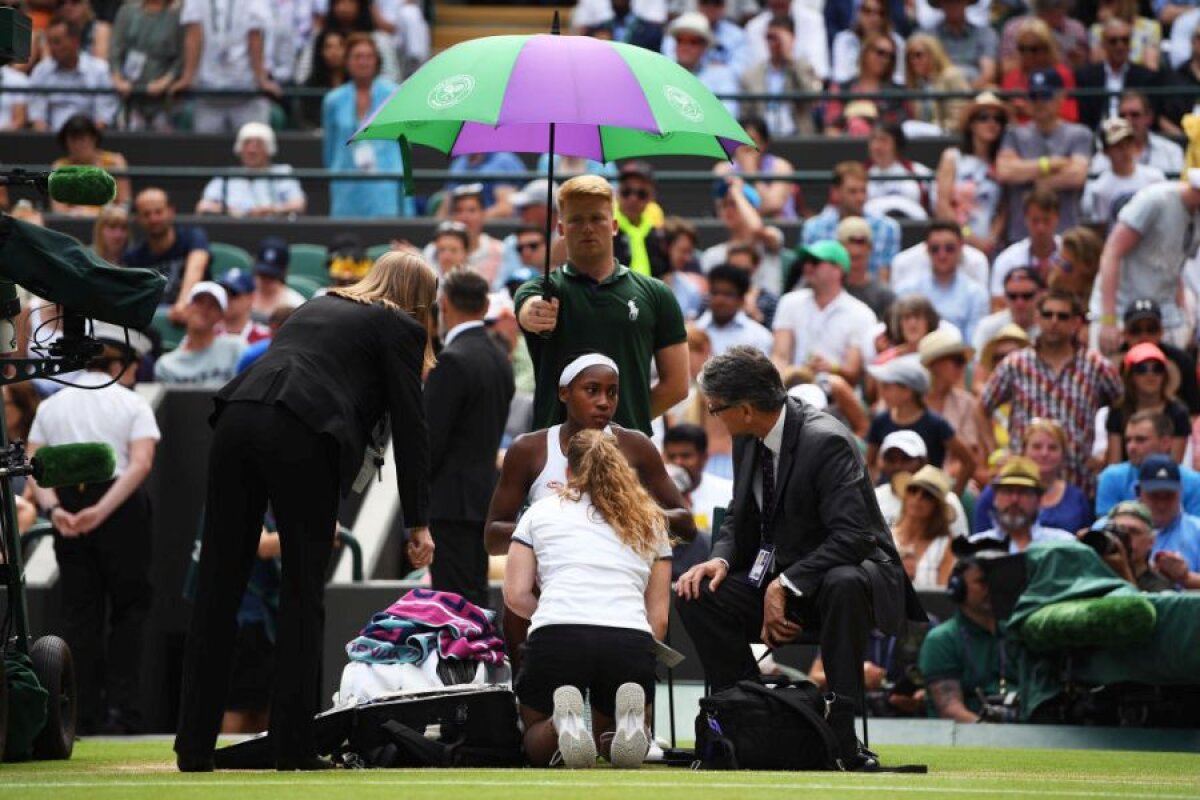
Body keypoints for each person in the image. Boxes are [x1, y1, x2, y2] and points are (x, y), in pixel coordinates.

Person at [174, 251, 437, 772]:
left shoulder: (317, 304)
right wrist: (418, 521)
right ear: (420, 301)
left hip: (237, 418)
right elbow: (411, 426)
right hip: (303, 429)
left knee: (218, 587)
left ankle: (194, 745)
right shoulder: (401, 325)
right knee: (301, 591)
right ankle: (293, 745)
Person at [675, 346, 923, 769]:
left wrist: (784, 585)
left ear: (747, 409)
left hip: (842, 577)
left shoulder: (825, 441)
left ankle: (842, 736)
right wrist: (719, 560)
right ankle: (749, 718)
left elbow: (855, 535)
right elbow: (739, 513)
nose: (715, 418)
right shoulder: (746, 436)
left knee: (844, 580)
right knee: (698, 593)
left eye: (717, 410)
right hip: (781, 573)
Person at [505, 429, 670, 769]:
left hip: (558, 632)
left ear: (568, 470)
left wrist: (550, 615)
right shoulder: (652, 520)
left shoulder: (539, 512)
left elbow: (515, 594)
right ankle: (629, 724)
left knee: (534, 738)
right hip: (628, 638)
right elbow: (660, 620)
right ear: (621, 466)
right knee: (607, 741)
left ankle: (558, 724)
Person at [27, 339, 160, 735]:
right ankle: (124, 713)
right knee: (128, 613)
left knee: (79, 615)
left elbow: (36, 466)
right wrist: (101, 511)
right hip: (119, 510)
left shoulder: (53, 406)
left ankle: (80, 714)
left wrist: (57, 510)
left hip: (69, 507)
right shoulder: (132, 403)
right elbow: (141, 463)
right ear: (118, 364)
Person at [513, 175, 689, 438]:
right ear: (560, 230)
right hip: (555, 451)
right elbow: (528, 309)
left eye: (596, 218)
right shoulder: (539, 290)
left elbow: (677, 386)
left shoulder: (657, 294)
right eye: (576, 220)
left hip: (626, 450)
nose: (587, 228)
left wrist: (623, 421)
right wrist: (534, 312)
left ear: (614, 225)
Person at [425, 268, 514, 608]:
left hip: (450, 505)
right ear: (485, 304)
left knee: (453, 604)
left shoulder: (451, 361)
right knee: (474, 597)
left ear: (444, 304)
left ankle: (462, 664)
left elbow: (431, 442)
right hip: (484, 500)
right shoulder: (499, 359)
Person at [981, 290, 1122, 493]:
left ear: (1076, 323)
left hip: (1077, 482)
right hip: (1024, 481)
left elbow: (1122, 407)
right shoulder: (1015, 364)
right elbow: (983, 407)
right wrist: (996, 452)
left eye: (1062, 316)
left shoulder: (1096, 366)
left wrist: (1109, 455)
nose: (1054, 321)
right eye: (1047, 315)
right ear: (1038, 318)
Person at [1096, 172, 1200, 354]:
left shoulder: (1197, 215)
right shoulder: (1155, 200)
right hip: (1122, 309)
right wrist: (1108, 320)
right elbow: (1111, 253)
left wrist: (1184, 315)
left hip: (1162, 313)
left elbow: (1176, 263)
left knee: (1169, 373)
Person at [996, 67, 1091, 245]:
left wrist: (1033, 181)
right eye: (1034, 96)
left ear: (1061, 97)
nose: (1039, 102)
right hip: (1020, 238)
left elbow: (1077, 175)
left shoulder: (1079, 133)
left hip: (1066, 237)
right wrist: (1050, 165)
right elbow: (1005, 171)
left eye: (1046, 96)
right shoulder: (1014, 134)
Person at [918, 556, 1016, 722]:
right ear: (959, 588)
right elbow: (950, 710)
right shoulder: (942, 639)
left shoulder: (1017, 632)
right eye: (983, 582)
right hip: (969, 740)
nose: (992, 588)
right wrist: (995, 734)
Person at [322, 33, 406, 219]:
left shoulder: (394, 94)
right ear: (347, 61)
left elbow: (405, 143)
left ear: (377, 61)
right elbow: (329, 149)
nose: (363, 62)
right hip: (346, 183)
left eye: (369, 57)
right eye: (357, 57)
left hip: (386, 182)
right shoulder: (333, 100)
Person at [866, 354, 976, 493]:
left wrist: (953, 495)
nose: (882, 393)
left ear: (907, 391)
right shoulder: (880, 421)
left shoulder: (936, 424)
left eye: (887, 387)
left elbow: (969, 462)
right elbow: (869, 463)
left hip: (927, 498)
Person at [974, 417, 1093, 534]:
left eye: (1052, 448)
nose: (1044, 453)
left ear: (1063, 454)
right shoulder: (996, 491)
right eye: (1037, 447)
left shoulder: (1077, 497)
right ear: (1024, 450)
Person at [174, 0, 277, 134]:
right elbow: (194, 33)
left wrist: (261, 78)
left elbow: (254, 35)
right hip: (208, 90)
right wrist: (187, 77)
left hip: (246, 90)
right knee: (207, 150)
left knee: (251, 144)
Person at [933, 92, 1009, 259]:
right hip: (955, 245)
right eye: (984, 117)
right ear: (971, 124)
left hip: (990, 247)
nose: (992, 123)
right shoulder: (952, 157)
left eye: (998, 119)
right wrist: (968, 236)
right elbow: (943, 205)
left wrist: (991, 239)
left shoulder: (1002, 163)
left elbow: (1003, 209)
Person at [801, 162, 901, 283]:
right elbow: (808, 275)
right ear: (835, 193)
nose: (860, 198)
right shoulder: (813, 228)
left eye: (863, 191)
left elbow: (884, 279)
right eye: (853, 191)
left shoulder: (887, 228)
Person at [124, 187, 211, 322]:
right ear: (138, 219)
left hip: (193, 318)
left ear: (171, 211)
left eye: (158, 212)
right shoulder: (134, 257)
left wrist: (182, 304)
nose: (153, 219)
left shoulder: (192, 237)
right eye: (146, 214)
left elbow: (197, 267)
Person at [895, 221, 989, 344]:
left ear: (961, 247)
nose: (942, 255)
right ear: (926, 249)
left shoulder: (976, 294)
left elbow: (974, 342)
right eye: (935, 249)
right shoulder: (906, 291)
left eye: (949, 248)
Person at [920, 328, 992, 483]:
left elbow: (972, 454)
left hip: (951, 480)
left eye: (964, 362)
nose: (963, 367)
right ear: (935, 364)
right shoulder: (911, 398)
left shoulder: (966, 402)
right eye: (957, 361)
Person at [1096, 410, 1200, 517]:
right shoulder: (1111, 477)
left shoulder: (1194, 482)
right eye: (1128, 440)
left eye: (1140, 440)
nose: (1131, 447)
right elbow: (1105, 526)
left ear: (1165, 443)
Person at [663, 422, 734, 573]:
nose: (678, 463)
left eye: (686, 456)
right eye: (672, 456)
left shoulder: (728, 492)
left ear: (704, 458)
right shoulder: (655, 494)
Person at [195, 122, 307, 218]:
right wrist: (231, 212)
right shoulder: (226, 176)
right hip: (232, 231)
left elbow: (299, 205)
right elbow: (203, 206)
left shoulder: (283, 172)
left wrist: (272, 210)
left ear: (269, 149)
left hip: (273, 231)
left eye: (258, 145)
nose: (251, 150)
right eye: (246, 144)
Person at [966, 457, 1075, 553]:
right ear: (995, 498)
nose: (1014, 500)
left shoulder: (1063, 546)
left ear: (1039, 500)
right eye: (1007, 491)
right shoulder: (975, 548)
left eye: (1024, 492)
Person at [28, 16, 118, 132]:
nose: (52, 48)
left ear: (75, 41)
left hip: (89, 140)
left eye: (57, 42)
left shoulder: (99, 70)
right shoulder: (41, 71)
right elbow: (37, 117)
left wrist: (85, 142)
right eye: (49, 43)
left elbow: (103, 118)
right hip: (50, 140)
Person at [873, 430, 969, 539]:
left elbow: (960, 548)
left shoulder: (948, 499)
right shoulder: (873, 498)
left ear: (922, 462)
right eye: (891, 459)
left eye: (906, 459)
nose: (898, 465)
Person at [737, 19, 822, 140]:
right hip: (762, 138)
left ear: (792, 39)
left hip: (798, 137)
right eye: (770, 37)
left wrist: (789, 58)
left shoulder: (803, 68)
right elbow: (744, 115)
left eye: (778, 38)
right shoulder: (751, 75)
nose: (774, 43)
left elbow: (814, 99)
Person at [1107, 343, 1189, 464]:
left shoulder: (1178, 413)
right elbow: (1114, 463)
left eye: (1157, 369)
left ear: (1164, 376)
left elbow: (1175, 464)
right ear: (1130, 377)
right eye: (1142, 369)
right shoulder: (1118, 411)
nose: (1150, 375)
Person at [1074, 18, 1158, 133]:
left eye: (1125, 40)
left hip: (1134, 134)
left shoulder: (1147, 77)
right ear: (1103, 44)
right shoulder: (1086, 76)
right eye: (1113, 41)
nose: (1120, 46)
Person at [108, 0, 181, 131]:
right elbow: (115, 50)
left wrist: (167, 80)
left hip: (161, 97)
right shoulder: (127, 11)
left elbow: (182, 57)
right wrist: (117, 78)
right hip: (129, 94)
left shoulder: (176, 15)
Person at [154, 282, 246, 385]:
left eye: (213, 305)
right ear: (187, 308)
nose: (204, 309)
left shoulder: (236, 348)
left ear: (221, 315)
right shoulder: (166, 365)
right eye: (199, 302)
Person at [1120, 298, 1200, 417]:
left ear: (1161, 332)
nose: (1144, 336)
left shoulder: (1182, 361)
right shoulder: (1113, 364)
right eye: (1136, 330)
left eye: (1151, 329)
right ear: (1125, 334)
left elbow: (1195, 411)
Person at [1083, 118, 1165, 229]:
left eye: (1128, 144)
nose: (1125, 151)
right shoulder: (1100, 189)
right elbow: (1101, 229)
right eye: (1118, 146)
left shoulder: (1155, 178)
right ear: (1106, 152)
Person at [988, 189, 1064, 306]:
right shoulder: (1008, 259)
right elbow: (997, 303)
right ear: (1025, 219)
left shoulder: (1069, 254)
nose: (1041, 228)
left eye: (1046, 220)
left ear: (1057, 218)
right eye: (1035, 221)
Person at [1135, 454, 1200, 588]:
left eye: (1168, 496)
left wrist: (1187, 578)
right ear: (1138, 492)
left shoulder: (1197, 531)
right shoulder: (1110, 529)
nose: (1161, 505)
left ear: (1181, 492)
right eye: (1154, 496)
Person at [823, 33, 907, 134]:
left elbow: (901, 127)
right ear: (866, 52)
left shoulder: (898, 92)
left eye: (891, 56)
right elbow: (830, 127)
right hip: (846, 145)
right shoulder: (841, 88)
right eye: (880, 53)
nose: (885, 60)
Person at [891, 465, 957, 588]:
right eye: (913, 490)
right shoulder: (886, 537)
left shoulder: (945, 546)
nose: (918, 497)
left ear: (937, 507)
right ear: (905, 496)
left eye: (927, 495)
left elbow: (943, 598)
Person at [50, 113, 130, 215]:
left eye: (83, 139)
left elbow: (124, 203)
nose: (78, 145)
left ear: (94, 138)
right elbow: (59, 210)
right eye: (73, 140)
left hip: (109, 222)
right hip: (74, 224)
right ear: (66, 142)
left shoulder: (115, 162)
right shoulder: (60, 167)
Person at [665, 13, 739, 118]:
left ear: (705, 46)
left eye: (693, 42)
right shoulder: (663, 73)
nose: (685, 47)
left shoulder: (722, 75)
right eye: (680, 40)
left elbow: (729, 116)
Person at [1092, 500, 1173, 592]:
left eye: (1134, 532)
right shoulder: (1095, 579)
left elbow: (1138, 604)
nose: (1125, 537)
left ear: (1151, 542)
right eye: (1118, 530)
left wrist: (1123, 569)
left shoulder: (1161, 587)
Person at [695, 264, 773, 357]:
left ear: (741, 300)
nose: (720, 300)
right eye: (715, 293)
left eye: (727, 294)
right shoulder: (694, 331)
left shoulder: (759, 337)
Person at [903, 34, 970, 134]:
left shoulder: (951, 75)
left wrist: (938, 129)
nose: (914, 61)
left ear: (933, 54)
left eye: (918, 55)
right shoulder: (917, 85)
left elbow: (960, 117)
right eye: (910, 57)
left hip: (948, 135)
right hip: (924, 137)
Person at [864, 122, 934, 217]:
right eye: (873, 140)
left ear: (896, 144)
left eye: (883, 140)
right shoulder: (860, 174)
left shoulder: (919, 172)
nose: (877, 146)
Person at [922, 0, 997, 87]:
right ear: (940, 4)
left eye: (958, 1)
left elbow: (988, 73)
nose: (953, 5)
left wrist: (965, 92)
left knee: (990, 93)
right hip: (938, 90)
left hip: (975, 91)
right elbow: (923, 72)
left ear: (966, 2)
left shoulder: (985, 34)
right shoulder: (927, 35)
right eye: (948, 2)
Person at [613, 162, 668, 278]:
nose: (633, 199)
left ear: (651, 197)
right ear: (617, 192)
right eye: (626, 192)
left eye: (641, 194)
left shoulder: (658, 234)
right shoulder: (604, 228)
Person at [830, 0, 905, 84]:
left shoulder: (897, 42)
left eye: (880, 13)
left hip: (887, 93)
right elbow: (840, 77)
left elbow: (900, 79)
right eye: (868, 11)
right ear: (858, 13)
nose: (874, 18)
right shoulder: (844, 40)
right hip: (852, 93)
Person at [972, 268, 1042, 354]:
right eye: (1013, 296)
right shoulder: (988, 327)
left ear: (1039, 295)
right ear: (1005, 297)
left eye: (1026, 296)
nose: (1019, 303)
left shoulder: (1048, 326)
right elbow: (977, 363)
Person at [838, 216, 896, 322]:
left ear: (870, 249)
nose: (855, 264)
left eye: (858, 257)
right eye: (851, 257)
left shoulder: (883, 295)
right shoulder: (826, 287)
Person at [250, 237, 306, 323]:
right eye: (263, 274)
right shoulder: (240, 296)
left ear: (285, 271)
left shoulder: (295, 303)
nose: (266, 280)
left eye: (272, 276)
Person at [217, 268, 271, 345]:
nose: (226, 298)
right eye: (222, 293)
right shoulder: (207, 333)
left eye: (233, 294)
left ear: (251, 298)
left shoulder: (264, 338)